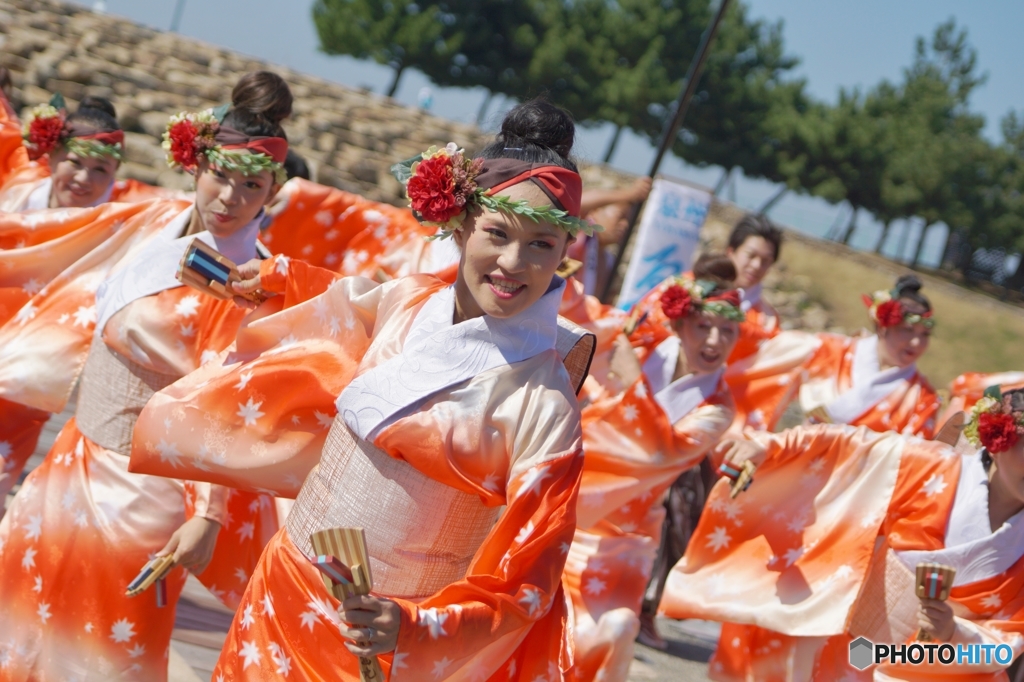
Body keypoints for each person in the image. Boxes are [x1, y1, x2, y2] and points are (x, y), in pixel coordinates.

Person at [128, 100, 598, 681]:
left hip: (388, 635)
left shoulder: (546, 405)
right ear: (459, 222)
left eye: (541, 246)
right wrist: (272, 277)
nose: (512, 262)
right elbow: (335, 304)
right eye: (497, 233)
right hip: (283, 588)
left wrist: (419, 627)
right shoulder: (409, 302)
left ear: (564, 255)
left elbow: (531, 574)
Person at [0, 72, 293, 680]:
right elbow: (46, 244)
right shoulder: (152, 223)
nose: (230, 196)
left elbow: (218, 397)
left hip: (149, 490)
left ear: (272, 194)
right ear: (194, 167)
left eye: (252, 185)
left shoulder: (252, 282)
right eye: (220, 175)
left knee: (105, 644)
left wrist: (207, 513)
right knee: (19, 612)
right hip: (73, 460)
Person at [661, 388, 1024, 680]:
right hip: (861, 654)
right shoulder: (931, 467)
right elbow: (845, 446)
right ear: (999, 438)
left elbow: (1004, 648)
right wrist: (770, 448)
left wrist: (953, 636)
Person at [565, 255, 742, 681]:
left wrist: (629, 385)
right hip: (567, 500)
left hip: (626, 535)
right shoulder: (639, 345)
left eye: (729, 331)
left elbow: (660, 454)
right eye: (703, 326)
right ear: (680, 326)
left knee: (601, 637)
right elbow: (582, 316)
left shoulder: (717, 407)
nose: (715, 340)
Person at [726, 274, 940, 436]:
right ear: (883, 326)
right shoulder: (825, 350)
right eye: (908, 331)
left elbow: (908, 458)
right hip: (786, 461)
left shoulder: (923, 399)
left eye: (925, 335)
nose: (916, 342)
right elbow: (761, 373)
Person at [569, 176, 653, 296]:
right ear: (595, 211)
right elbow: (575, 204)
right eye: (620, 216)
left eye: (628, 220)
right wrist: (630, 194)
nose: (625, 225)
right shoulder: (577, 234)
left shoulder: (609, 261)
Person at [724, 212, 783, 362]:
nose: (757, 266)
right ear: (731, 251)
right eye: (750, 255)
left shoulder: (768, 320)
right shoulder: (691, 286)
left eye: (766, 261)